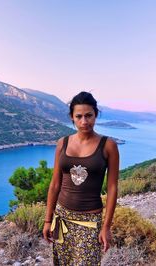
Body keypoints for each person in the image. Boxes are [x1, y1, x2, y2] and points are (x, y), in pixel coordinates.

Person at [43, 91, 119, 265]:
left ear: (96, 115)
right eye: (79, 116)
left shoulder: (108, 145)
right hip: (62, 218)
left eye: (89, 116)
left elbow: (113, 187)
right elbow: (55, 184)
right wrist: (48, 220)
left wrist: (106, 227)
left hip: (89, 221)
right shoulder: (62, 143)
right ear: (72, 117)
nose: (84, 122)